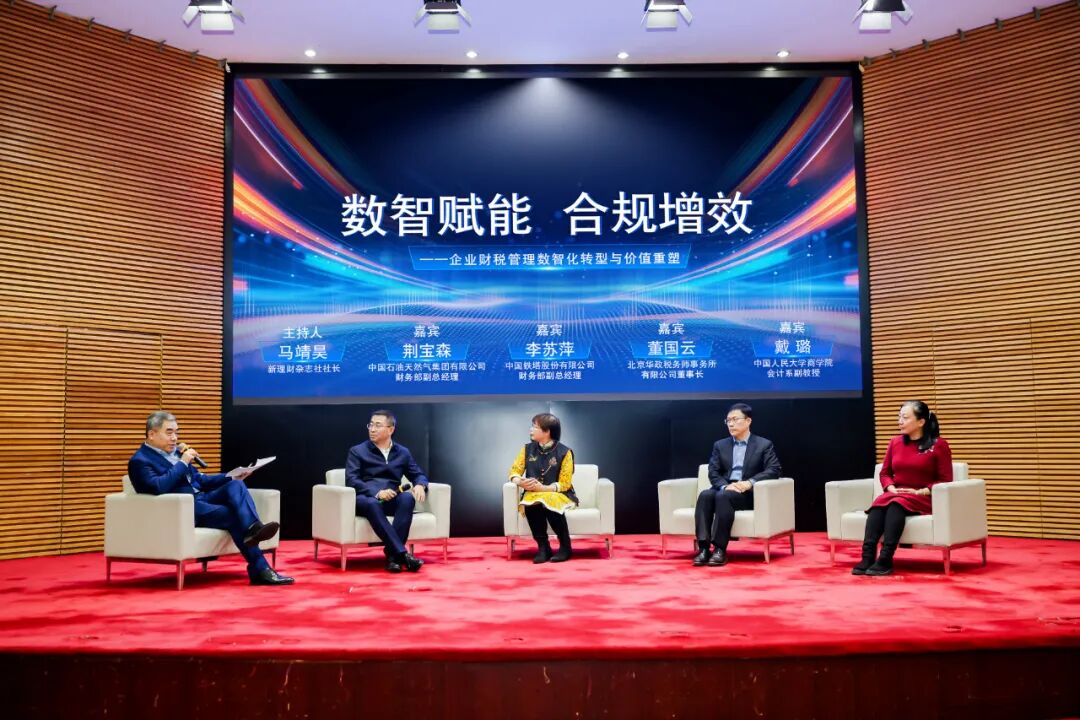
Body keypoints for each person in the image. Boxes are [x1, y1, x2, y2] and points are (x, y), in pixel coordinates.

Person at [127, 411, 294, 586]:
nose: (175, 438)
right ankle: (260, 569)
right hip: (183, 509)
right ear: (152, 434)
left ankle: (254, 528)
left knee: (235, 485)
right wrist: (183, 463)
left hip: (200, 498)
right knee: (233, 516)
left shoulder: (175, 453)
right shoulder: (140, 461)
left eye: (176, 432)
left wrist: (232, 475)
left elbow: (200, 480)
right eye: (169, 433)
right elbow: (158, 487)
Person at [853, 400, 953, 576]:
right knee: (878, 505)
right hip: (897, 494)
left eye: (905, 418)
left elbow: (945, 480)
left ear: (921, 422)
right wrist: (890, 487)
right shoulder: (895, 442)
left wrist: (921, 491)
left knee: (895, 505)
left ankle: (885, 559)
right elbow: (885, 473)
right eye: (899, 417)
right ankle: (867, 557)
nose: (900, 421)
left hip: (924, 497)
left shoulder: (939, 445)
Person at [693, 403, 782, 567]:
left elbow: (774, 469)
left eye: (735, 419)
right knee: (705, 495)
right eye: (728, 421)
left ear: (748, 421)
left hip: (746, 493)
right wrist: (724, 486)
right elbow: (713, 472)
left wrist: (750, 483)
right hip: (725, 488)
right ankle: (703, 548)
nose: (731, 424)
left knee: (723, 496)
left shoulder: (763, 444)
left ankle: (719, 549)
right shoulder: (720, 445)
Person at [345, 409, 429, 573]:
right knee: (372, 503)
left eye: (378, 425)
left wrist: (420, 484)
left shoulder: (402, 452)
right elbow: (352, 479)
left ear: (391, 429)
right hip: (366, 499)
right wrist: (377, 492)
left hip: (391, 498)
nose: (372, 429)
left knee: (407, 498)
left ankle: (393, 558)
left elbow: (418, 474)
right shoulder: (357, 451)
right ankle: (402, 554)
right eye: (370, 425)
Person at [509, 413, 577, 563]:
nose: (530, 430)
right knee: (531, 504)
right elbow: (514, 471)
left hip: (557, 493)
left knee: (549, 501)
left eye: (535, 427)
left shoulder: (565, 452)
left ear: (547, 432)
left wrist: (544, 488)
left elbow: (565, 483)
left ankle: (565, 547)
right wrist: (520, 482)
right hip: (533, 494)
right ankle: (543, 547)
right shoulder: (526, 449)